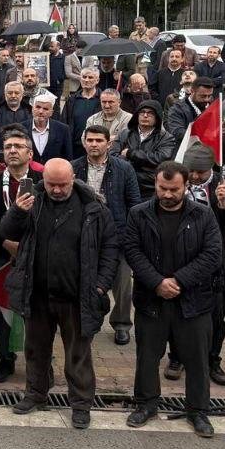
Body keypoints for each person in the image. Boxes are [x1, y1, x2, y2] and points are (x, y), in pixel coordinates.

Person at [0, 159, 118, 430]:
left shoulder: (93, 207)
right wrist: (17, 211)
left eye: (62, 185)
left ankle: (81, 404)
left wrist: (101, 286)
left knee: (78, 354)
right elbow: (6, 232)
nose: (56, 190)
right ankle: (35, 394)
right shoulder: (33, 200)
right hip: (37, 292)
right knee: (35, 349)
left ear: (73, 179)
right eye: (51, 184)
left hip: (77, 295)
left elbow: (110, 247)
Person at [123, 161, 223, 438]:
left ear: (186, 186)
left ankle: (198, 411)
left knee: (197, 360)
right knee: (147, 357)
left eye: (174, 189)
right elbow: (132, 250)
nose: (167, 194)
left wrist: (179, 281)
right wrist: (157, 282)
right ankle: (146, 404)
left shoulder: (203, 215)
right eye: (162, 188)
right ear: (155, 184)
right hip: (151, 300)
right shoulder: (139, 214)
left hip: (193, 302)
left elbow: (212, 254)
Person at [172, 145, 225, 387]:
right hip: (182, 258)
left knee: (216, 313)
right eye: (191, 171)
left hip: (216, 261)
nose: (194, 176)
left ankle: (212, 359)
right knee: (178, 310)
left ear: (210, 170)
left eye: (200, 172)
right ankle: (176, 357)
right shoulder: (179, 183)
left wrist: (224, 204)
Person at [0, 128, 41, 382]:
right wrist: (7, 244)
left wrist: (26, 247)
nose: (12, 151)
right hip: (1, 253)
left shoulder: (42, 180)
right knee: (2, 308)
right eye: (7, 147)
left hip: (35, 254)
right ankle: (5, 359)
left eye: (18, 146)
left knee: (37, 310)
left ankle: (40, 361)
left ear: (30, 153)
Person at [72, 125, 142, 346]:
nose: (94, 144)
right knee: (78, 280)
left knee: (122, 283)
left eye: (99, 140)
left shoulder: (124, 168)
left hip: (117, 235)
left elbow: (134, 204)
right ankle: (78, 319)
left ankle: (121, 324)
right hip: (82, 234)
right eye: (90, 140)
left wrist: (130, 235)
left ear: (109, 144)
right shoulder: (73, 167)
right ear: (84, 142)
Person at [120, 101, 177, 200]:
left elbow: (160, 159)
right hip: (124, 183)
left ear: (157, 117)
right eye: (142, 112)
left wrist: (130, 153)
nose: (145, 116)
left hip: (149, 187)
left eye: (150, 113)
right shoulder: (125, 134)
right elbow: (113, 155)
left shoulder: (166, 138)